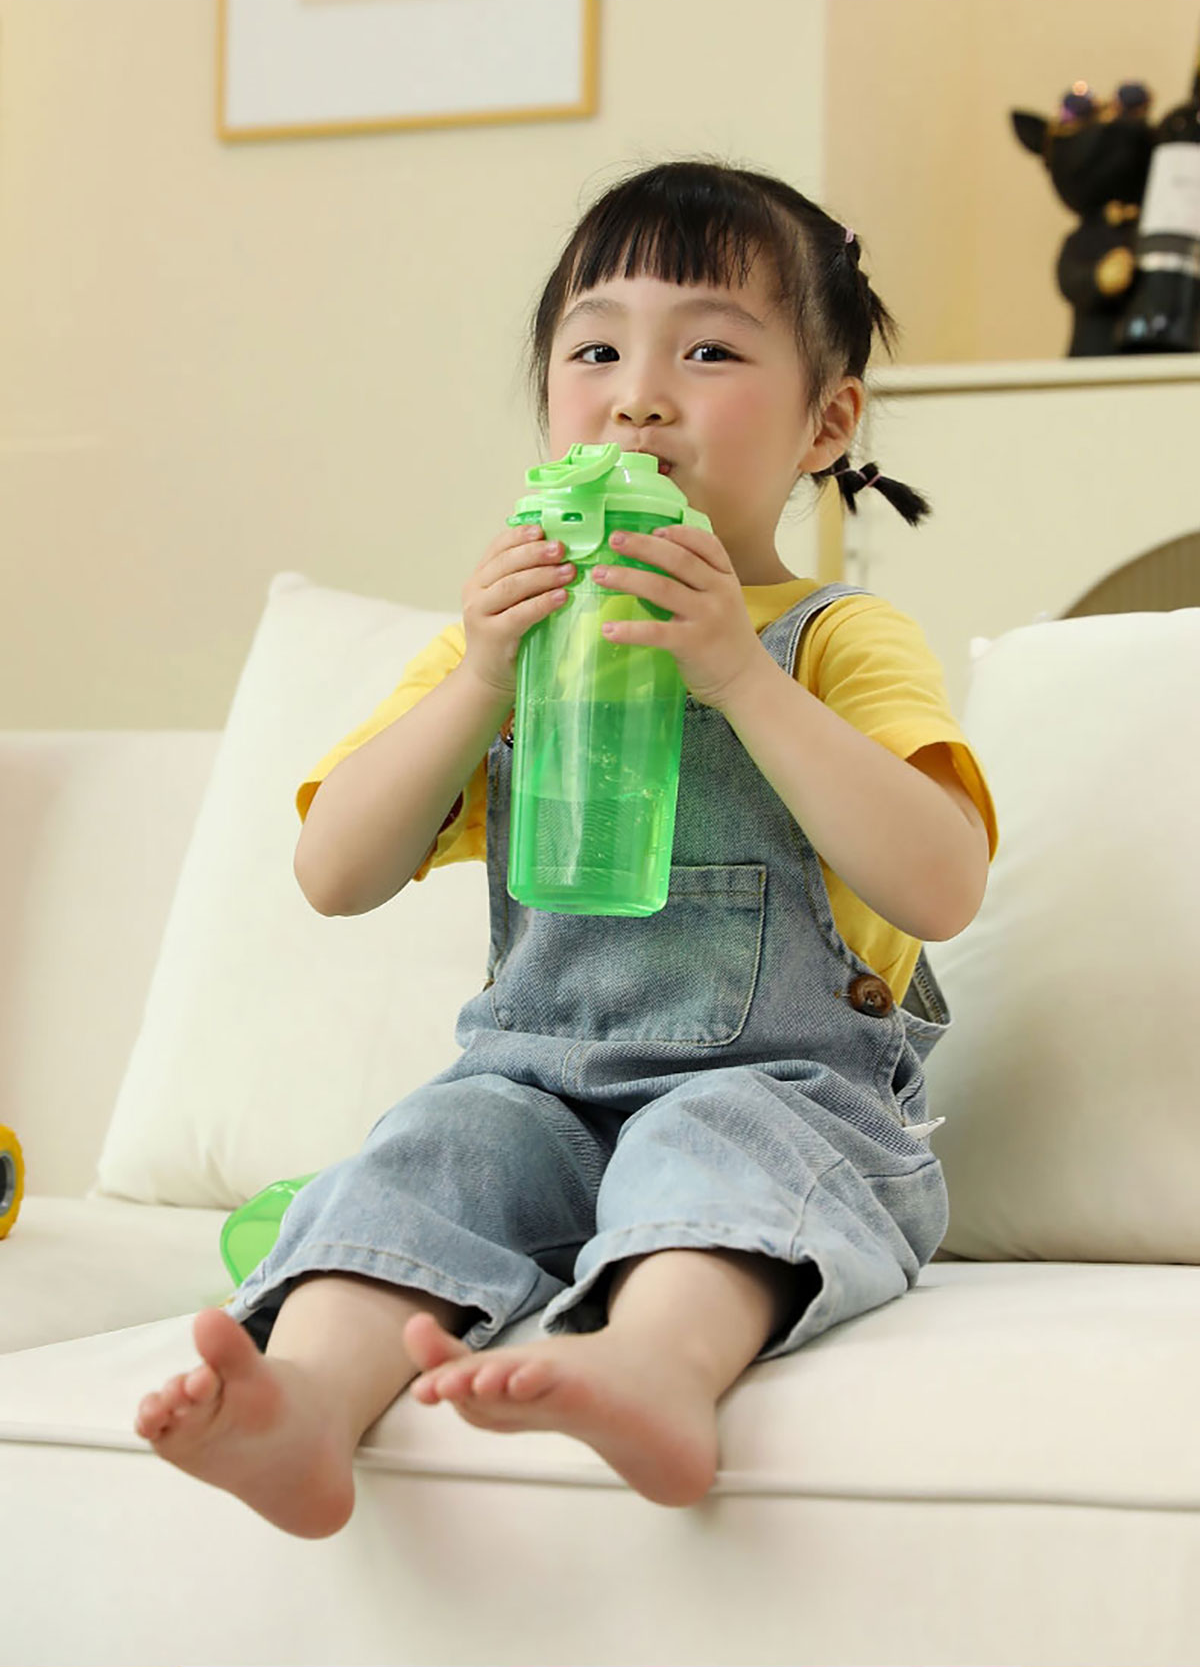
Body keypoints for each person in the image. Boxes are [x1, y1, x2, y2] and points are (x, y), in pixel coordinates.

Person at [133, 155, 998, 1537]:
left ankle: (653, 1365)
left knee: (711, 1138)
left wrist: (743, 676)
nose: (640, 394)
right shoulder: (507, 646)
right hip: (533, 1084)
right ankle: (302, 1405)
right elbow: (333, 873)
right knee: (435, 1146)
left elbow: (941, 882)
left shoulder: (835, 639)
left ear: (827, 422)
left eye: (709, 350)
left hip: (782, 1090)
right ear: (550, 406)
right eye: (596, 351)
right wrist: (482, 676)